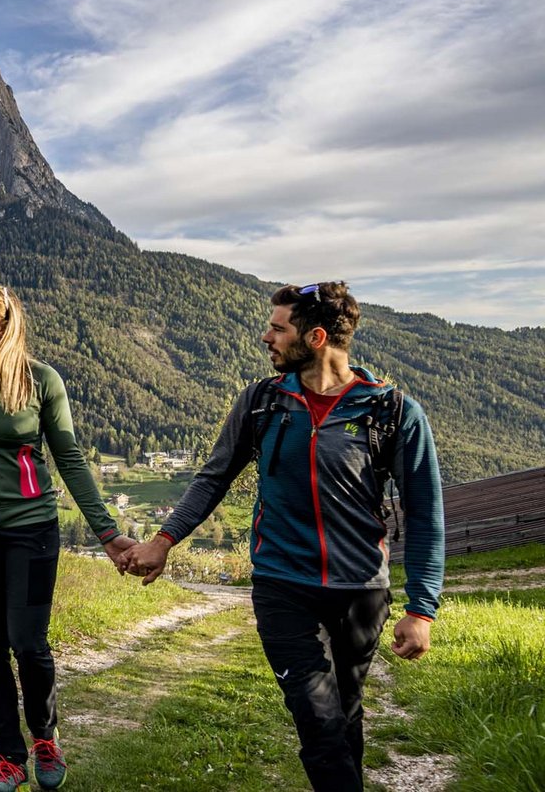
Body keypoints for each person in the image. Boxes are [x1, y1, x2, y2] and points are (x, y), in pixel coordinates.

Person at [120, 281, 444, 792]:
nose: (265, 337)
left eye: (277, 328)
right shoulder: (262, 402)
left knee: (342, 714)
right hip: (281, 582)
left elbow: (425, 515)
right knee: (316, 715)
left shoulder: (393, 413)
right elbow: (213, 477)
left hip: (361, 589)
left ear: (314, 337)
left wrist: (421, 609)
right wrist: (164, 539)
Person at [0, 282, 135, 792]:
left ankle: (45, 738)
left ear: (3, 325)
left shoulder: (41, 381)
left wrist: (106, 532)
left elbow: (70, 458)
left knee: (28, 642)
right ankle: (8, 758)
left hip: (32, 528)